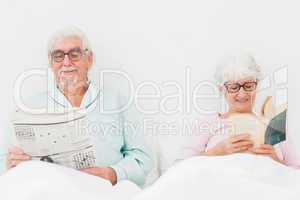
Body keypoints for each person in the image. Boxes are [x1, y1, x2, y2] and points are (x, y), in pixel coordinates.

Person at [3, 27, 153, 187]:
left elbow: (141, 158)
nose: (66, 62)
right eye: (58, 56)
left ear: (89, 59)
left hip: (104, 192)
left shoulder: (118, 102)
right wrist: (10, 164)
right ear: (51, 62)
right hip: (48, 192)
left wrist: (112, 173)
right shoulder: (29, 107)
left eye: (74, 54)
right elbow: (5, 160)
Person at [181, 53, 290, 165]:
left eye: (248, 86)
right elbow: (181, 167)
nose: (242, 94)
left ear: (256, 86)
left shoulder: (274, 124)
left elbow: (296, 170)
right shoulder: (209, 122)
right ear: (222, 89)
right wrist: (215, 152)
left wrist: (276, 161)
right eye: (234, 87)